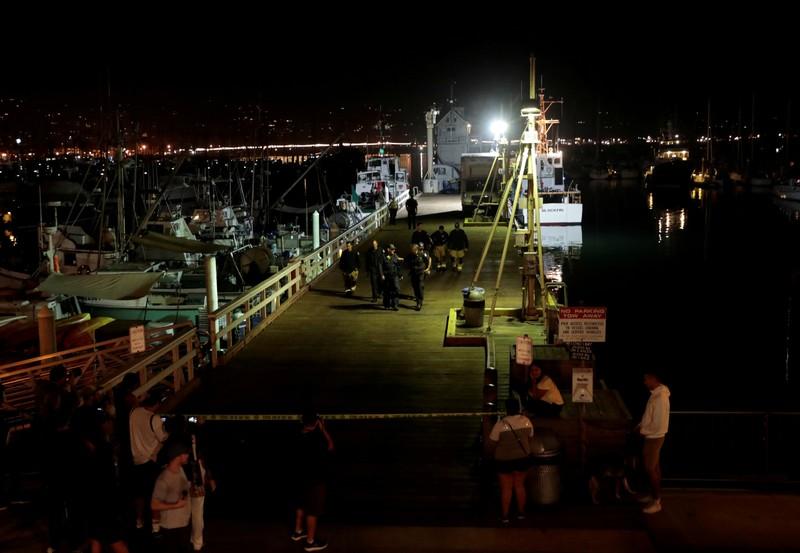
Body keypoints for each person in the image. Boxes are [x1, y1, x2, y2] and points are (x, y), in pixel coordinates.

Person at [291, 410, 334, 552]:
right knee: (313, 511)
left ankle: (298, 532)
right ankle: (310, 542)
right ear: (316, 422)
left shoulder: (297, 435)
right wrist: (324, 430)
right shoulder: (317, 439)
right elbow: (331, 446)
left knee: (301, 505)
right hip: (314, 481)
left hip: (299, 479)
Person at [489, 398, 533, 524]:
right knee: (519, 485)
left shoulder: (500, 424)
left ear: (506, 409)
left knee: (506, 488)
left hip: (504, 460)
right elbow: (530, 437)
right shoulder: (526, 421)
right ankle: (521, 513)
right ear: (518, 407)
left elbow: (492, 441)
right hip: (522, 458)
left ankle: (505, 516)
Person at [129, 391, 168, 533]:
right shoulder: (154, 418)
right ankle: (155, 525)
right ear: (157, 404)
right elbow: (163, 438)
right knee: (153, 494)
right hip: (149, 460)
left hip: (135, 459)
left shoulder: (134, 412)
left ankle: (139, 520)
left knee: (138, 493)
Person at [636, 371, 670, 514]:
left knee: (651, 469)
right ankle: (653, 496)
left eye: (646, 379)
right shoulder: (656, 394)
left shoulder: (660, 397)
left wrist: (642, 430)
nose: (645, 382)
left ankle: (657, 501)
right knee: (654, 467)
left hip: (654, 438)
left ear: (654, 379)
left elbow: (658, 424)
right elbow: (651, 417)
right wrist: (641, 425)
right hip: (653, 436)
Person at [151, 442, 192, 553]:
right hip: (171, 528)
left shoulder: (181, 470)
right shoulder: (163, 479)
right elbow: (154, 505)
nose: (188, 456)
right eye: (185, 453)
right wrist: (176, 505)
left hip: (183, 524)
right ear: (178, 455)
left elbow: (181, 490)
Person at [379, 243, 403, 311]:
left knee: (396, 289)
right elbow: (380, 266)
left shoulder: (395, 256)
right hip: (387, 276)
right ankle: (387, 305)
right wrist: (382, 275)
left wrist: (400, 275)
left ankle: (395, 304)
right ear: (388, 249)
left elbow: (398, 266)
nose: (394, 250)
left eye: (394, 249)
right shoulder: (383, 256)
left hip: (394, 275)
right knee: (387, 291)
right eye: (392, 249)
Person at [408, 243, 431, 311]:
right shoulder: (410, 255)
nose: (413, 251)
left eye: (414, 250)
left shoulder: (422, 254)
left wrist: (428, 268)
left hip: (420, 274)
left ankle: (419, 303)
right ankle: (418, 299)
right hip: (413, 274)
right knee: (415, 288)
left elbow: (429, 259)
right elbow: (406, 263)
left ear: (417, 250)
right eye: (412, 250)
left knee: (420, 287)